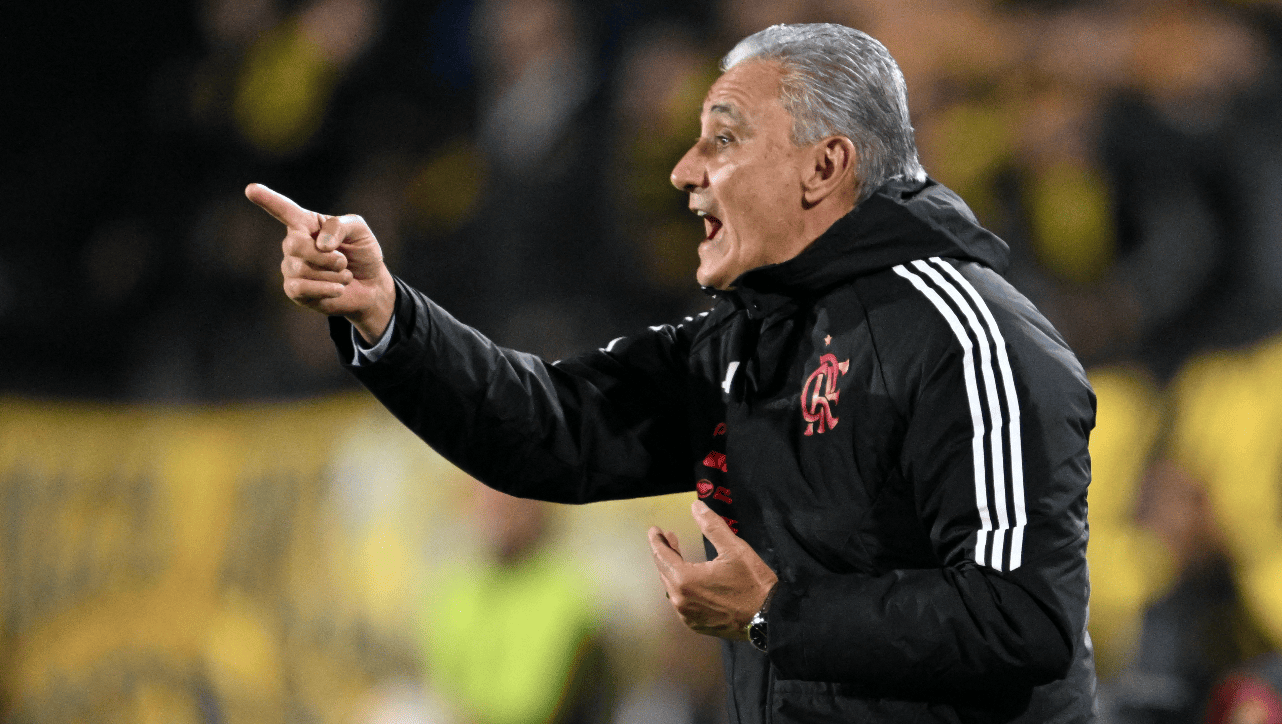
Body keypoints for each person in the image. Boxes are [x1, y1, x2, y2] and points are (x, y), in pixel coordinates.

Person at [248, 22, 1097, 723]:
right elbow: (553, 426)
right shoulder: (741, 341)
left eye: (723, 139)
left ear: (825, 166)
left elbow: (1023, 617)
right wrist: (387, 315)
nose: (683, 171)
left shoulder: (970, 337)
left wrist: (777, 614)